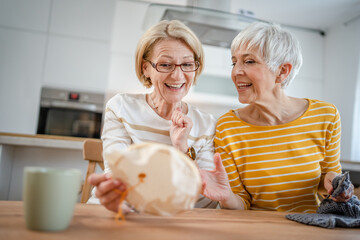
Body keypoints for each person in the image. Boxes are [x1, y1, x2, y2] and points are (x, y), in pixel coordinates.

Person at [200, 22, 354, 213]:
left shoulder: (325, 116)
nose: (236, 72)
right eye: (234, 62)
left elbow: (328, 175)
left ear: (282, 71)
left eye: (249, 61)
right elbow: (241, 203)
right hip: (256, 231)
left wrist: (335, 184)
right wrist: (226, 197)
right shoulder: (228, 127)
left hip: (311, 228)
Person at [87, 20, 217, 213]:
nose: (178, 76)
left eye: (187, 64)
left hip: (177, 225)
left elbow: (204, 200)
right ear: (145, 68)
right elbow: (116, 176)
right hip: (118, 213)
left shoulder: (206, 124)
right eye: (165, 64)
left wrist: (182, 149)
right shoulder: (121, 107)